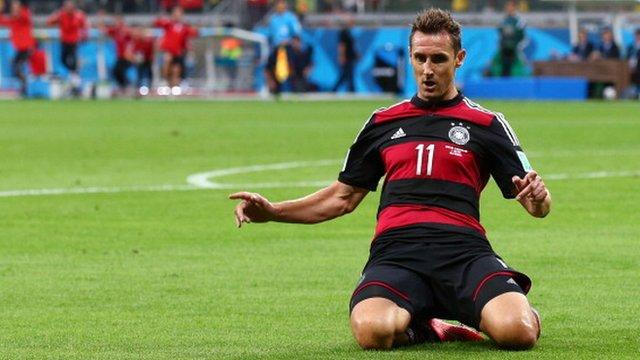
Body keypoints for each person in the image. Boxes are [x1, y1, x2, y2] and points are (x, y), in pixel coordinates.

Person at [230, 8, 551, 351]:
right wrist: (273, 211)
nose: (428, 70)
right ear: (410, 58)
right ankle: (432, 328)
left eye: (438, 59)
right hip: (396, 254)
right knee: (372, 332)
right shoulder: (383, 122)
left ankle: (513, 310)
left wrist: (538, 199)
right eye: (420, 58)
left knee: (517, 333)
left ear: (459, 59)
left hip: (463, 252)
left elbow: (536, 203)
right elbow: (343, 197)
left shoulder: (487, 124)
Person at [47, 0, 88, 94]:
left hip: (73, 42)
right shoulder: (61, 15)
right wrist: (55, 14)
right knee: (63, 60)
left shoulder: (78, 15)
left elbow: (84, 26)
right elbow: (49, 22)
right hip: (64, 42)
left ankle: (76, 81)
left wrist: (84, 35)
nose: (68, 7)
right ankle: (75, 78)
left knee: (73, 61)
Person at [154, 5, 198, 88]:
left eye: (179, 13)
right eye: (175, 13)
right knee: (167, 61)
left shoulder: (184, 27)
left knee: (176, 71)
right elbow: (157, 23)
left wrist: (188, 48)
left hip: (178, 52)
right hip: (168, 50)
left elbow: (192, 34)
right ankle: (164, 81)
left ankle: (174, 87)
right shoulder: (168, 24)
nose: (177, 15)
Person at [265, 0, 302, 94]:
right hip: (276, 47)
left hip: (288, 46)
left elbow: (296, 33)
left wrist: (295, 43)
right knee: (270, 67)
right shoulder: (273, 19)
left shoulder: (290, 18)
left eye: (282, 3)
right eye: (278, 4)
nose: (280, 6)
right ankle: (275, 88)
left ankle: (296, 88)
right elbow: (270, 35)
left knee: (292, 66)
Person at [0, 0, 35, 97]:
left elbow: (25, 15)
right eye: (13, 6)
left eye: (16, 6)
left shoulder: (24, 16)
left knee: (17, 67)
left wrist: (19, 10)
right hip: (20, 49)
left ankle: (27, 87)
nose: (14, 8)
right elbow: (2, 21)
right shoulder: (13, 19)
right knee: (16, 68)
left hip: (27, 48)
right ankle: (25, 87)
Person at [97, 14, 134, 93]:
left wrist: (130, 51)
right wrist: (101, 19)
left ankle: (127, 87)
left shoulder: (126, 31)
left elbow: (133, 41)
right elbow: (103, 30)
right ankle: (125, 87)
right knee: (116, 72)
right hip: (120, 56)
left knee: (119, 71)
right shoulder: (116, 31)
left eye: (118, 21)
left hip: (127, 56)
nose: (117, 23)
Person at [498, 0, 525, 76]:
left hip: (515, 49)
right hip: (504, 49)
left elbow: (522, 36)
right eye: (507, 6)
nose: (509, 8)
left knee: (516, 69)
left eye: (511, 6)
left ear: (515, 7)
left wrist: (517, 45)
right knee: (504, 69)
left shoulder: (519, 21)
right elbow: (500, 33)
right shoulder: (503, 20)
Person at [332, 15, 357, 92]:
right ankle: (351, 90)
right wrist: (341, 56)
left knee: (347, 75)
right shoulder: (343, 32)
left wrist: (356, 54)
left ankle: (350, 90)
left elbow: (351, 46)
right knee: (346, 75)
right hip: (347, 57)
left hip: (351, 57)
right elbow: (342, 45)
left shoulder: (349, 32)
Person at [131, 25, 155, 91]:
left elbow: (152, 50)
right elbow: (135, 52)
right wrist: (136, 58)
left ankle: (150, 87)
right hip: (141, 61)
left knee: (149, 73)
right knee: (139, 74)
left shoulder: (149, 41)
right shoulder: (137, 41)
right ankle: (138, 88)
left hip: (148, 60)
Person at [627, 29, 640, 95]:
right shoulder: (630, 47)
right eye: (636, 35)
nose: (637, 37)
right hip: (630, 69)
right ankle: (632, 93)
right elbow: (627, 57)